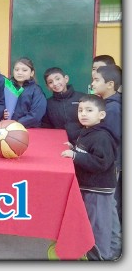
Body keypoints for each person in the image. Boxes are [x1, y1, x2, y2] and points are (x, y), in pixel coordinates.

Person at [60, 94, 119, 260]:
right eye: (80, 110)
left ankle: (99, 258)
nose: (83, 114)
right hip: (91, 186)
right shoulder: (87, 131)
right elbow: (88, 152)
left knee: (98, 226)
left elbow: (101, 163)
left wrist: (75, 156)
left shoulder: (101, 136)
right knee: (102, 222)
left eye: (89, 110)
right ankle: (106, 253)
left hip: (98, 189)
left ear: (101, 115)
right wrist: (74, 148)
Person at [91, 64, 122, 255]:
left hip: (110, 165)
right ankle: (112, 246)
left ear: (110, 84)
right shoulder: (107, 104)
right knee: (110, 205)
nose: (92, 83)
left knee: (108, 207)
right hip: (110, 164)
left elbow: (109, 140)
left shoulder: (113, 109)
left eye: (96, 80)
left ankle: (111, 250)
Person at [41, 67, 85, 144]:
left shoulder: (82, 98)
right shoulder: (48, 104)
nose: (55, 83)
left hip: (83, 143)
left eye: (58, 79)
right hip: (60, 145)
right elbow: (47, 127)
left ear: (66, 79)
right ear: (48, 87)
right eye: (50, 82)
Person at [3, 57, 46, 128]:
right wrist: (4, 113)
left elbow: (36, 115)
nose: (19, 73)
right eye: (16, 70)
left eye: (24, 70)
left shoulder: (36, 90)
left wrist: (17, 123)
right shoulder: (8, 87)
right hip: (9, 129)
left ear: (32, 73)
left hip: (30, 129)